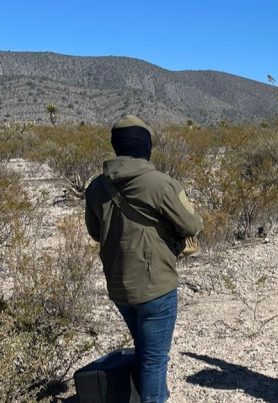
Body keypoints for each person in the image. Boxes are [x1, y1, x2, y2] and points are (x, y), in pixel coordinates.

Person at [85, 115, 203, 403]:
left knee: (145, 351)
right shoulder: (162, 185)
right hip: (156, 286)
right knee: (154, 360)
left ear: (117, 146)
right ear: (146, 146)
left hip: (119, 287)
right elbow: (192, 225)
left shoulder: (95, 187)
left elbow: (95, 231)